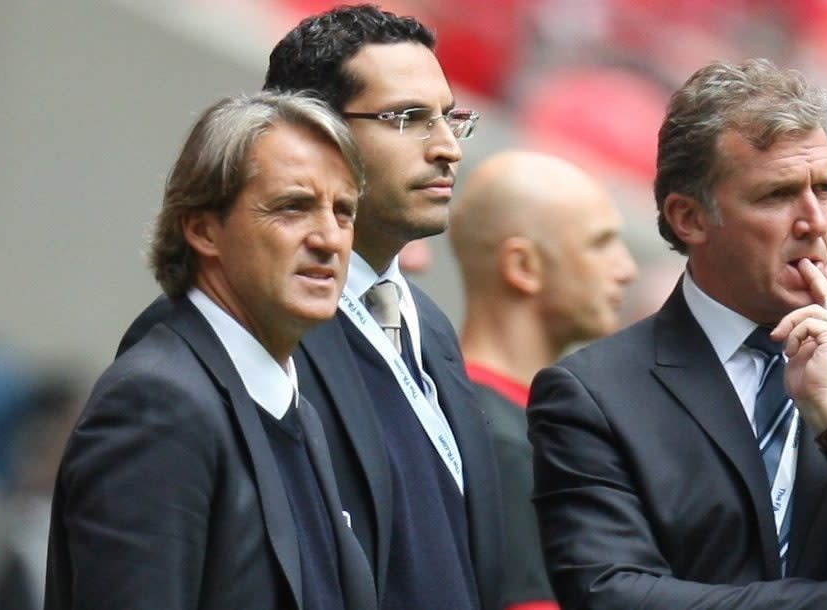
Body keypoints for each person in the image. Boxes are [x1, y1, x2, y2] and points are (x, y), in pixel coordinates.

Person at [527, 58, 827, 610]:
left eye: (825, 189)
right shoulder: (591, 396)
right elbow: (612, 596)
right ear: (688, 218)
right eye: (777, 195)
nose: (815, 220)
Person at [120, 6, 503, 610]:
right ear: (314, 132)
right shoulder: (236, 339)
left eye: (452, 118)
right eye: (408, 119)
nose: (448, 148)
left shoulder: (425, 327)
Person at [48, 91, 375, 610]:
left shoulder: (293, 410)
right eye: (293, 206)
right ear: (203, 229)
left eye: (344, 212)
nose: (330, 239)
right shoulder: (158, 404)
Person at [448, 150, 638, 609]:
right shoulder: (499, 439)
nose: (626, 269)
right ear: (523, 266)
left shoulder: (514, 418)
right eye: (600, 243)